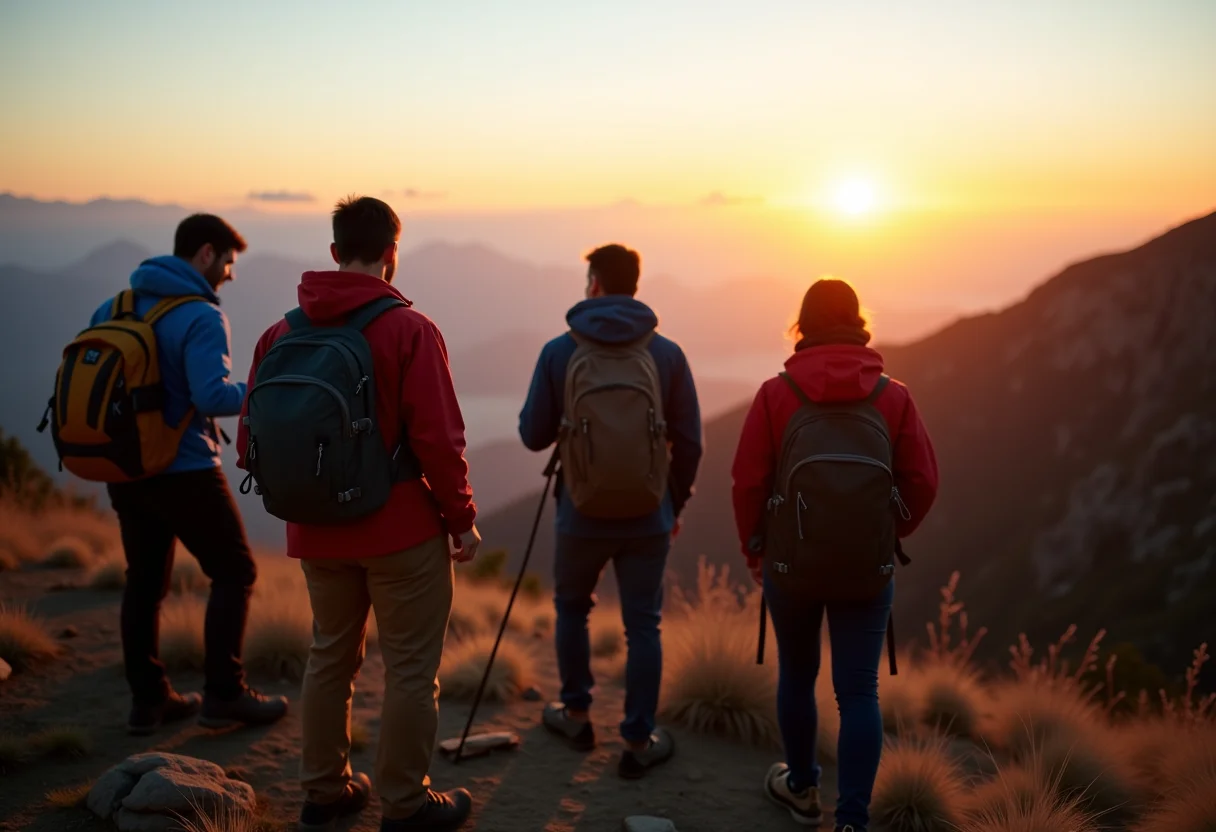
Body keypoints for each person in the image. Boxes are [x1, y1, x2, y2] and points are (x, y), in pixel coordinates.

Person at [237, 196, 479, 832]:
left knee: (330, 656)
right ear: (392, 254)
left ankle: (323, 793)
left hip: (316, 530)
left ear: (335, 251)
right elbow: (438, 440)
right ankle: (404, 806)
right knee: (409, 671)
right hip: (400, 530)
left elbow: (248, 441)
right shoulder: (410, 330)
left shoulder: (279, 334)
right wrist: (461, 519)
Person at [731, 279, 938, 832]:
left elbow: (747, 482)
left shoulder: (777, 394)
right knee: (858, 690)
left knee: (798, 676)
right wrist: (887, 533)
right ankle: (851, 820)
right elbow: (923, 481)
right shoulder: (893, 396)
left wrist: (756, 548)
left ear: (802, 328)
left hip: (789, 567)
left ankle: (801, 789)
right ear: (858, 321)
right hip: (868, 572)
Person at [91, 214, 289, 736]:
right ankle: (224, 694)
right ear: (205, 254)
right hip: (185, 469)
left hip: (125, 465)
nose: (230, 273)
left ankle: (148, 702)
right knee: (235, 571)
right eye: (227, 261)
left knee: (145, 582)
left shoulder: (116, 306)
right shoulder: (200, 315)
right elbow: (209, 396)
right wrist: (260, 391)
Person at [519, 243, 703, 779]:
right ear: (636, 285)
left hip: (579, 512)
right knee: (643, 624)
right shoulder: (666, 354)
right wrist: (674, 502)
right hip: (649, 515)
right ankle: (640, 740)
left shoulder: (560, 351)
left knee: (572, 608)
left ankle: (576, 715)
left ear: (595, 282)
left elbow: (533, 436)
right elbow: (690, 443)